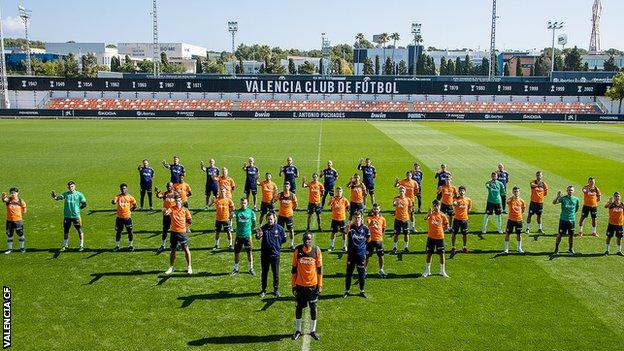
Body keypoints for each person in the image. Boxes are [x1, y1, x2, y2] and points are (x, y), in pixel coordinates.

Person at [291, 232, 322, 341]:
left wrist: (320, 285)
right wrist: (293, 285)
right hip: (300, 286)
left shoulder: (316, 250)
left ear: (312, 240)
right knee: (299, 308)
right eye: (305, 239)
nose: (307, 241)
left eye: (309, 239)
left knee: (313, 308)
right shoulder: (297, 250)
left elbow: (319, 269)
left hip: (313, 286)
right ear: (303, 240)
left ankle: (313, 330)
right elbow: (294, 269)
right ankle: (298, 330)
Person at [256, 212, 287, 298]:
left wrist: (277, 245)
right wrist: (258, 235)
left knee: (276, 274)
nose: (270, 221)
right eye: (268, 219)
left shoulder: (280, 229)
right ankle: (263, 290)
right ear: (266, 219)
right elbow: (258, 236)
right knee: (264, 273)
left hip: (275, 255)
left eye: (271, 219)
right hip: (265, 255)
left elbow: (284, 239)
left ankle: (276, 289)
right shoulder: (262, 228)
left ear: (274, 219)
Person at [51, 181, 87, 252]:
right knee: (66, 231)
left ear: (75, 186)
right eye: (69, 187)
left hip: (76, 216)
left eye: (72, 186)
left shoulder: (79, 194)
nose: (71, 188)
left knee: (79, 230)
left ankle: (81, 245)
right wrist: (55, 197)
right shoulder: (66, 194)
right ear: (68, 187)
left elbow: (84, 204)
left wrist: (78, 209)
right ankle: (65, 245)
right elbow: (59, 198)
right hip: (67, 216)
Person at [344, 211, 370, 298]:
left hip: (361, 255)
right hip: (351, 255)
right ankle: (347, 291)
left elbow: (368, 238)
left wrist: (362, 247)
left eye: (358, 217)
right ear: (353, 218)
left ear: (361, 218)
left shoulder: (365, 228)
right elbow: (344, 232)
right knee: (349, 274)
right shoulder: (350, 227)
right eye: (355, 217)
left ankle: (362, 291)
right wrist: (346, 229)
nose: (357, 219)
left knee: (361, 274)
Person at [164, 198, 193, 275]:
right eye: (176, 201)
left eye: (179, 201)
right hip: (173, 232)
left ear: (182, 202)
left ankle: (189, 267)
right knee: (173, 250)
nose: (177, 202)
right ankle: (171, 267)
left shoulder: (185, 210)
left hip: (182, 233)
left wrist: (185, 227)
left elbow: (190, 220)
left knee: (186, 249)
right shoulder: (172, 208)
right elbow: (167, 212)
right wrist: (166, 212)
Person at [423, 200, 450, 278]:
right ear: (433, 206)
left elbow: (446, 225)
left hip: (440, 238)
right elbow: (425, 218)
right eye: (435, 205)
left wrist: (443, 229)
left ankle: (442, 271)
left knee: (441, 254)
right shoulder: (431, 215)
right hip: (431, 237)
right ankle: (427, 271)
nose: (436, 207)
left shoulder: (443, 215)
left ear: (440, 206)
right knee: (429, 254)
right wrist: (428, 213)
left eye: (437, 205)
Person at [231, 198, 257, 275]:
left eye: (245, 203)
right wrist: (231, 215)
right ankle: (236, 268)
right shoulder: (237, 212)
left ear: (247, 204)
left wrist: (251, 230)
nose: (243, 204)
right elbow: (232, 216)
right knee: (237, 252)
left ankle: (250, 268)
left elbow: (254, 222)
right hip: (239, 236)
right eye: (242, 203)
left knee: (249, 252)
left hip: (247, 236)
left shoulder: (251, 212)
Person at [552, 186, 580, 256]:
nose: (570, 191)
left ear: (573, 191)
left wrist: (572, 214)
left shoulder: (576, 199)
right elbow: (554, 203)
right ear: (567, 191)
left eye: (571, 190)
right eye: (569, 190)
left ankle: (570, 249)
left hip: (572, 220)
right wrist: (557, 196)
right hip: (563, 220)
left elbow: (576, 209)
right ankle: (556, 249)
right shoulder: (563, 198)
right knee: (560, 234)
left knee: (571, 235)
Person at [111, 183, 137, 252]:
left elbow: (135, 205)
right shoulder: (118, 197)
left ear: (127, 189)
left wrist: (130, 211)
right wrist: (113, 202)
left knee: (130, 232)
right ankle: (117, 246)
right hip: (119, 218)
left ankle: (130, 245)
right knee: (118, 232)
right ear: (120, 189)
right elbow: (114, 201)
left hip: (127, 218)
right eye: (122, 189)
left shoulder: (130, 197)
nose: (123, 190)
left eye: (124, 188)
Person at [2, 188, 27, 254]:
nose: (13, 194)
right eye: (12, 193)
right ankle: (9, 249)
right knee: (9, 235)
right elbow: (4, 200)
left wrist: (23, 212)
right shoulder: (8, 200)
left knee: (20, 234)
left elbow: (24, 206)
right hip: (9, 221)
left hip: (18, 220)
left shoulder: (20, 200)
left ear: (17, 193)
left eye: (14, 192)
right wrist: (3, 197)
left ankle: (22, 248)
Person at [366, 203, 387, 278]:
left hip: (379, 240)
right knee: (367, 256)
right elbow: (368, 223)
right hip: (370, 241)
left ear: (379, 210)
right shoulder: (369, 218)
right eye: (374, 209)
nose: (376, 210)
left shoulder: (383, 219)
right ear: (372, 209)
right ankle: (364, 270)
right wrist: (371, 223)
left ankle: (381, 270)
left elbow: (384, 228)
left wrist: (380, 236)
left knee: (381, 256)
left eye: (377, 209)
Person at [155, 182, 177, 251]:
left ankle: (178, 244)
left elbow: (179, 203)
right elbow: (159, 196)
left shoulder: (175, 194)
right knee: (165, 230)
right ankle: (163, 245)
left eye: (170, 186)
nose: (168, 187)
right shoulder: (164, 194)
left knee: (175, 230)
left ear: (172, 186)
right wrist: (157, 192)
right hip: (166, 215)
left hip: (173, 215)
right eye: (167, 186)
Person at [503, 186, 526, 254]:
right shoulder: (510, 200)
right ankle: (506, 249)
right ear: (513, 192)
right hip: (511, 220)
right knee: (508, 234)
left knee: (519, 234)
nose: (516, 193)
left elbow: (523, 209)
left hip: (519, 220)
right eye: (515, 191)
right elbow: (507, 202)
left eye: (517, 191)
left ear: (519, 192)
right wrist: (512, 198)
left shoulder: (522, 201)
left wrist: (518, 215)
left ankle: (519, 248)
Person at [451, 186, 472, 255]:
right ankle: (453, 247)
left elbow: (469, 209)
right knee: (454, 234)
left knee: (465, 234)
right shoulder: (456, 199)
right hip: (456, 219)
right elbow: (454, 203)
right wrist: (456, 204)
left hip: (464, 220)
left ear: (465, 191)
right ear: (458, 191)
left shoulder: (468, 200)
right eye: (460, 191)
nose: (461, 192)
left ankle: (464, 247)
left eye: (463, 191)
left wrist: (465, 214)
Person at [277, 182, 298, 250]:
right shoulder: (280, 194)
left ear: (289, 187)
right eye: (285, 186)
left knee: (291, 230)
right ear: (283, 187)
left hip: (289, 216)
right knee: (279, 230)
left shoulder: (292, 195)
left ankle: (291, 244)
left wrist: (292, 210)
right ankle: (279, 244)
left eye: (287, 186)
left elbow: (296, 204)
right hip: (281, 216)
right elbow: (273, 200)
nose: (286, 188)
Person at [391, 186, 412, 253]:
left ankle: (406, 247)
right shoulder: (396, 199)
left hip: (405, 220)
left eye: (403, 191)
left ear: (405, 192)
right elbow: (394, 204)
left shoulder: (408, 199)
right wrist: (395, 204)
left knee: (406, 234)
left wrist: (407, 215)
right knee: (396, 234)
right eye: (400, 191)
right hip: (397, 219)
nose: (401, 192)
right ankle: (395, 247)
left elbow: (410, 208)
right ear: (399, 192)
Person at [328, 187, 349, 252]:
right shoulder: (333, 199)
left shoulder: (344, 199)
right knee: (333, 233)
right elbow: (329, 204)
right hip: (334, 219)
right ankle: (332, 246)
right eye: (337, 191)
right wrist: (331, 201)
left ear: (342, 192)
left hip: (342, 219)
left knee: (344, 233)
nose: (338, 193)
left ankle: (344, 246)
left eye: (340, 191)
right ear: (335, 192)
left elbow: (348, 207)